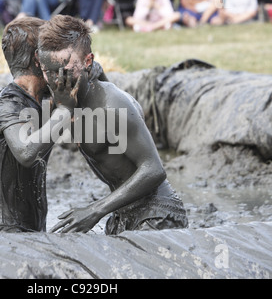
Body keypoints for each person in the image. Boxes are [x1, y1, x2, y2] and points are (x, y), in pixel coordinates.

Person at [0, 17, 107, 239]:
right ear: (39, 58)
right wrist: (64, 110)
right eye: (54, 49)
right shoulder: (9, 103)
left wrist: (91, 69)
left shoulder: (46, 95)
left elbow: (107, 101)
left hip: (20, 227)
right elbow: (27, 153)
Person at [36, 15, 188, 234]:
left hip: (157, 214)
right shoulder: (63, 94)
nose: (54, 80)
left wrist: (95, 210)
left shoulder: (112, 105)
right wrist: (1, 95)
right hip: (123, 212)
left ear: (88, 62)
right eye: (47, 71)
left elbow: (154, 169)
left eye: (64, 71)